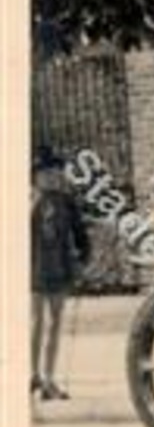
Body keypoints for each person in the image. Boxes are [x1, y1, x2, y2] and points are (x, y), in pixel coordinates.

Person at [31, 148, 88, 401]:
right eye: (45, 173)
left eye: (55, 173)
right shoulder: (24, 199)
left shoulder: (66, 201)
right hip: (31, 267)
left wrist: (82, 259)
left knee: (55, 323)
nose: (51, 178)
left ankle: (48, 377)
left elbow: (80, 234)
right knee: (35, 322)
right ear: (35, 176)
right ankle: (31, 375)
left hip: (59, 267)